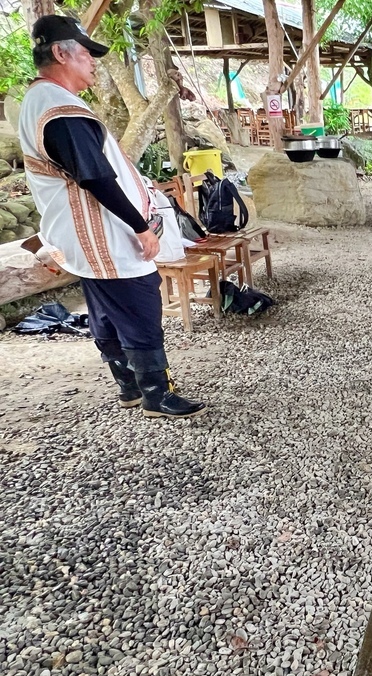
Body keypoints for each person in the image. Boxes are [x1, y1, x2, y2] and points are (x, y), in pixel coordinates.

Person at [18, 15, 205, 418]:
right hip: (102, 233)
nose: (93, 63)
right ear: (60, 53)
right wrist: (141, 226)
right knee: (139, 305)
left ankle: (129, 387)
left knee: (106, 309)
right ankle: (156, 393)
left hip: (83, 236)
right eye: (86, 54)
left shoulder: (43, 100)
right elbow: (96, 177)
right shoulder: (59, 109)